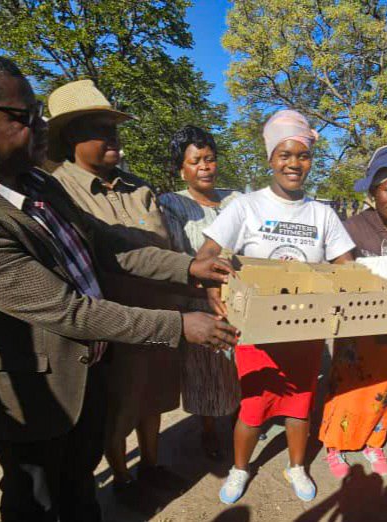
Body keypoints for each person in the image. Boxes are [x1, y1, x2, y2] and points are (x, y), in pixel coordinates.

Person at [0, 44, 238, 522]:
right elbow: (67, 310)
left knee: (79, 493)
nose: (43, 129)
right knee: (38, 501)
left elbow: (108, 245)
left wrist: (188, 269)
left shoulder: (35, 182)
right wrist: (181, 325)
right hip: (33, 399)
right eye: (26, 116)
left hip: (86, 372)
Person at [196, 109, 355, 504]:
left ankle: (296, 466)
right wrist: (211, 291)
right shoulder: (246, 207)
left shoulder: (323, 214)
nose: (293, 163)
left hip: (305, 328)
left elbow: (346, 266)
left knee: (300, 405)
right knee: (253, 406)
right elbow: (208, 253)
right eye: (285, 154)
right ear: (270, 159)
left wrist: (351, 292)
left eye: (301, 155)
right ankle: (239, 469)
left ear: (310, 162)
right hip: (257, 329)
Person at [46, 79, 185, 498]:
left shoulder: (139, 187)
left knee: (155, 400)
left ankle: (152, 465)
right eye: (101, 130)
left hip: (161, 316)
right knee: (118, 407)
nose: (114, 139)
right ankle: (122, 477)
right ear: (72, 137)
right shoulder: (58, 191)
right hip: (113, 325)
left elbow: (165, 246)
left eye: (115, 129)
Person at [318, 144, 387, 478]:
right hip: (356, 323)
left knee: (385, 386)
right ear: (374, 191)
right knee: (347, 383)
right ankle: (335, 445)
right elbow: (338, 273)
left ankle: (372, 442)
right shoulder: (352, 227)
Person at [158, 125, 241, 460]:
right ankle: (208, 430)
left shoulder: (236, 200)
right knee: (206, 372)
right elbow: (178, 256)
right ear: (182, 168)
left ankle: (240, 425)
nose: (205, 166)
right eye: (196, 161)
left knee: (240, 369)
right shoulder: (172, 204)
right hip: (197, 302)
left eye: (209, 159)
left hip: (240, 299)